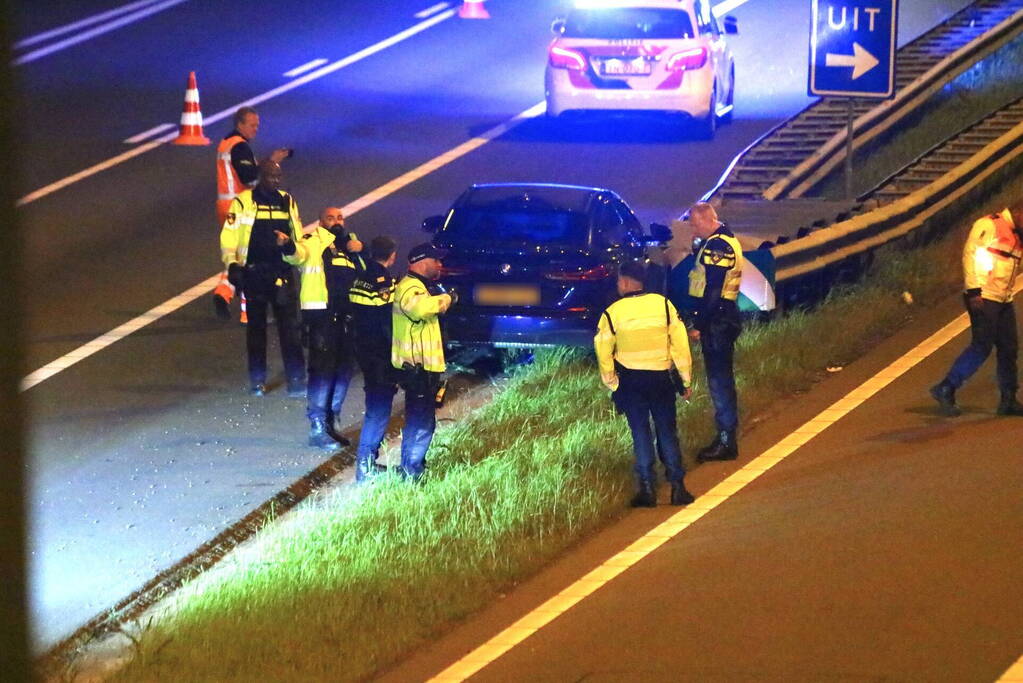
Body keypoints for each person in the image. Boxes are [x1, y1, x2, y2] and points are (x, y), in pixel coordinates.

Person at [595, 260, 695, 508]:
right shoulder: (663, 305)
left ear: (627, 281)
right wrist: (685, 379)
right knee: (667, 432)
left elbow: (603, 350)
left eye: (619, 280)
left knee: (640, 433)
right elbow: (680, 345)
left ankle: (648, 490)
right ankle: (678, 488)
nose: (618, 285)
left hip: (631, 382)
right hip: (661, 379)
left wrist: (612, 382)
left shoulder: (613, 312)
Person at [279, 207, 363, 451]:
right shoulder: (313, 240)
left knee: (344, 370)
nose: (336, 221)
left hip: (348, 317)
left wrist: (362, 250)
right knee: (322, 372)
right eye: (330, 218)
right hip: (321, 316)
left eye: (340, 218)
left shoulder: (350, 245)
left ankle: (332, 421)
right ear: (321, 221)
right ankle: (317, 427)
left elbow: (367, 271)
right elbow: (297, 254)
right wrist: (286, 245)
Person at [220, 160, 305, 397]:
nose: (275, 180)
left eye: (278, 176)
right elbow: (229, 237)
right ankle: (257, 380)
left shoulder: (287, 201)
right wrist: (233, 265)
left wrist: (290, 249)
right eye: (271, 176)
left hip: (281, 273)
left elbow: (297, 237)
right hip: (255, 274)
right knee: (256, 331)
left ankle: (297, 380)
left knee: (289, 329)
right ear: (260, 176)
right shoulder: (243, 202)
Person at [931, 205, 1023, 417]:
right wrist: (974, 291)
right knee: (982, 345)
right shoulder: (989, 225)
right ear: (1019, 214)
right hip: (983, 295)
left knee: (1009, 348)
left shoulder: (1018, 235)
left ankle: (1008, 399)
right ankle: (946, 387)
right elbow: (970, 254)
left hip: (1003, 298)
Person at [213, 107, 291, 322]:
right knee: (249, 257)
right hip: (240, 206)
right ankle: (248, 312)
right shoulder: (240, 147)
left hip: (224, 204)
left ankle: (223, 292)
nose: (256, 129)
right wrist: (271, 163)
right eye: (253, 125)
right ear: (240, 124)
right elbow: (250, 179)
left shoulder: (226, 142)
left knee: (238, 254)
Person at [681, 202, 744, 462]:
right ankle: (726, 436)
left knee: (719, 382)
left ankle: (726, 442)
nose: (693, 230)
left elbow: (714, 291)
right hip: (722, 318)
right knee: (721, 380)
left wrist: (699, 324)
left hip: (717, 320)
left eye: (695, 224)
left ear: (707, 220)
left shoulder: (717, 246)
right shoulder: (724, 239)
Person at [391, 243, 454, 481]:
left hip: (423, 368)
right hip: (416, 369)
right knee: (421, 424)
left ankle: (413, 466)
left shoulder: (422, 286)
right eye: (436, 260)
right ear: (421, 261)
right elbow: (420, 309)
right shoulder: (410, 288)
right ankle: (412, 473)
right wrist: (447, 299)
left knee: (423, 420)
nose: (440, 264)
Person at [350, 236, 399, 480]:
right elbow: (386, 320)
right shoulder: (382, 280)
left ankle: (367, 464)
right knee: (378, 411)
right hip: (379, 354)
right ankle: (366, 467)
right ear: (392, 256)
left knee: (376, 407)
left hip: (363, 349)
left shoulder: (360, 275)